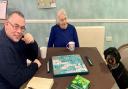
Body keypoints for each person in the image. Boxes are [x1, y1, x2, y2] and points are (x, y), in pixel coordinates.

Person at [0, 11, 41, 89]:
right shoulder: (2, 45)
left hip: (22, 78)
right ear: (6, 24)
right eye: (16, 26)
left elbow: (33, 56)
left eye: (22, 28)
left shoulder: (18, 37)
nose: (19, 31)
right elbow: (17, 80)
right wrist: (35, 65)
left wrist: (32, 42)